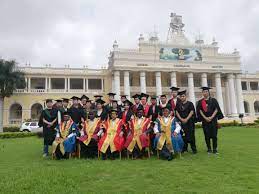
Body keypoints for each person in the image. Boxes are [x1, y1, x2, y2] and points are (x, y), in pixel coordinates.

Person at [196, 87, 224, 154]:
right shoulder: (200, 102)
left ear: (208, 92)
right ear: (202, 93)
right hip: (205, 121)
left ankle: (215, 149)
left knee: (214, 135)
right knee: (207, 135)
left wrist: (211, 117)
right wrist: (205, 118)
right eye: (204, 92)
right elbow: (199, 111)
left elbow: (217, 109)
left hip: (213, 120)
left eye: (206, 91)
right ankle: (209, 149)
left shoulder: (214, 100)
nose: (205, 93)